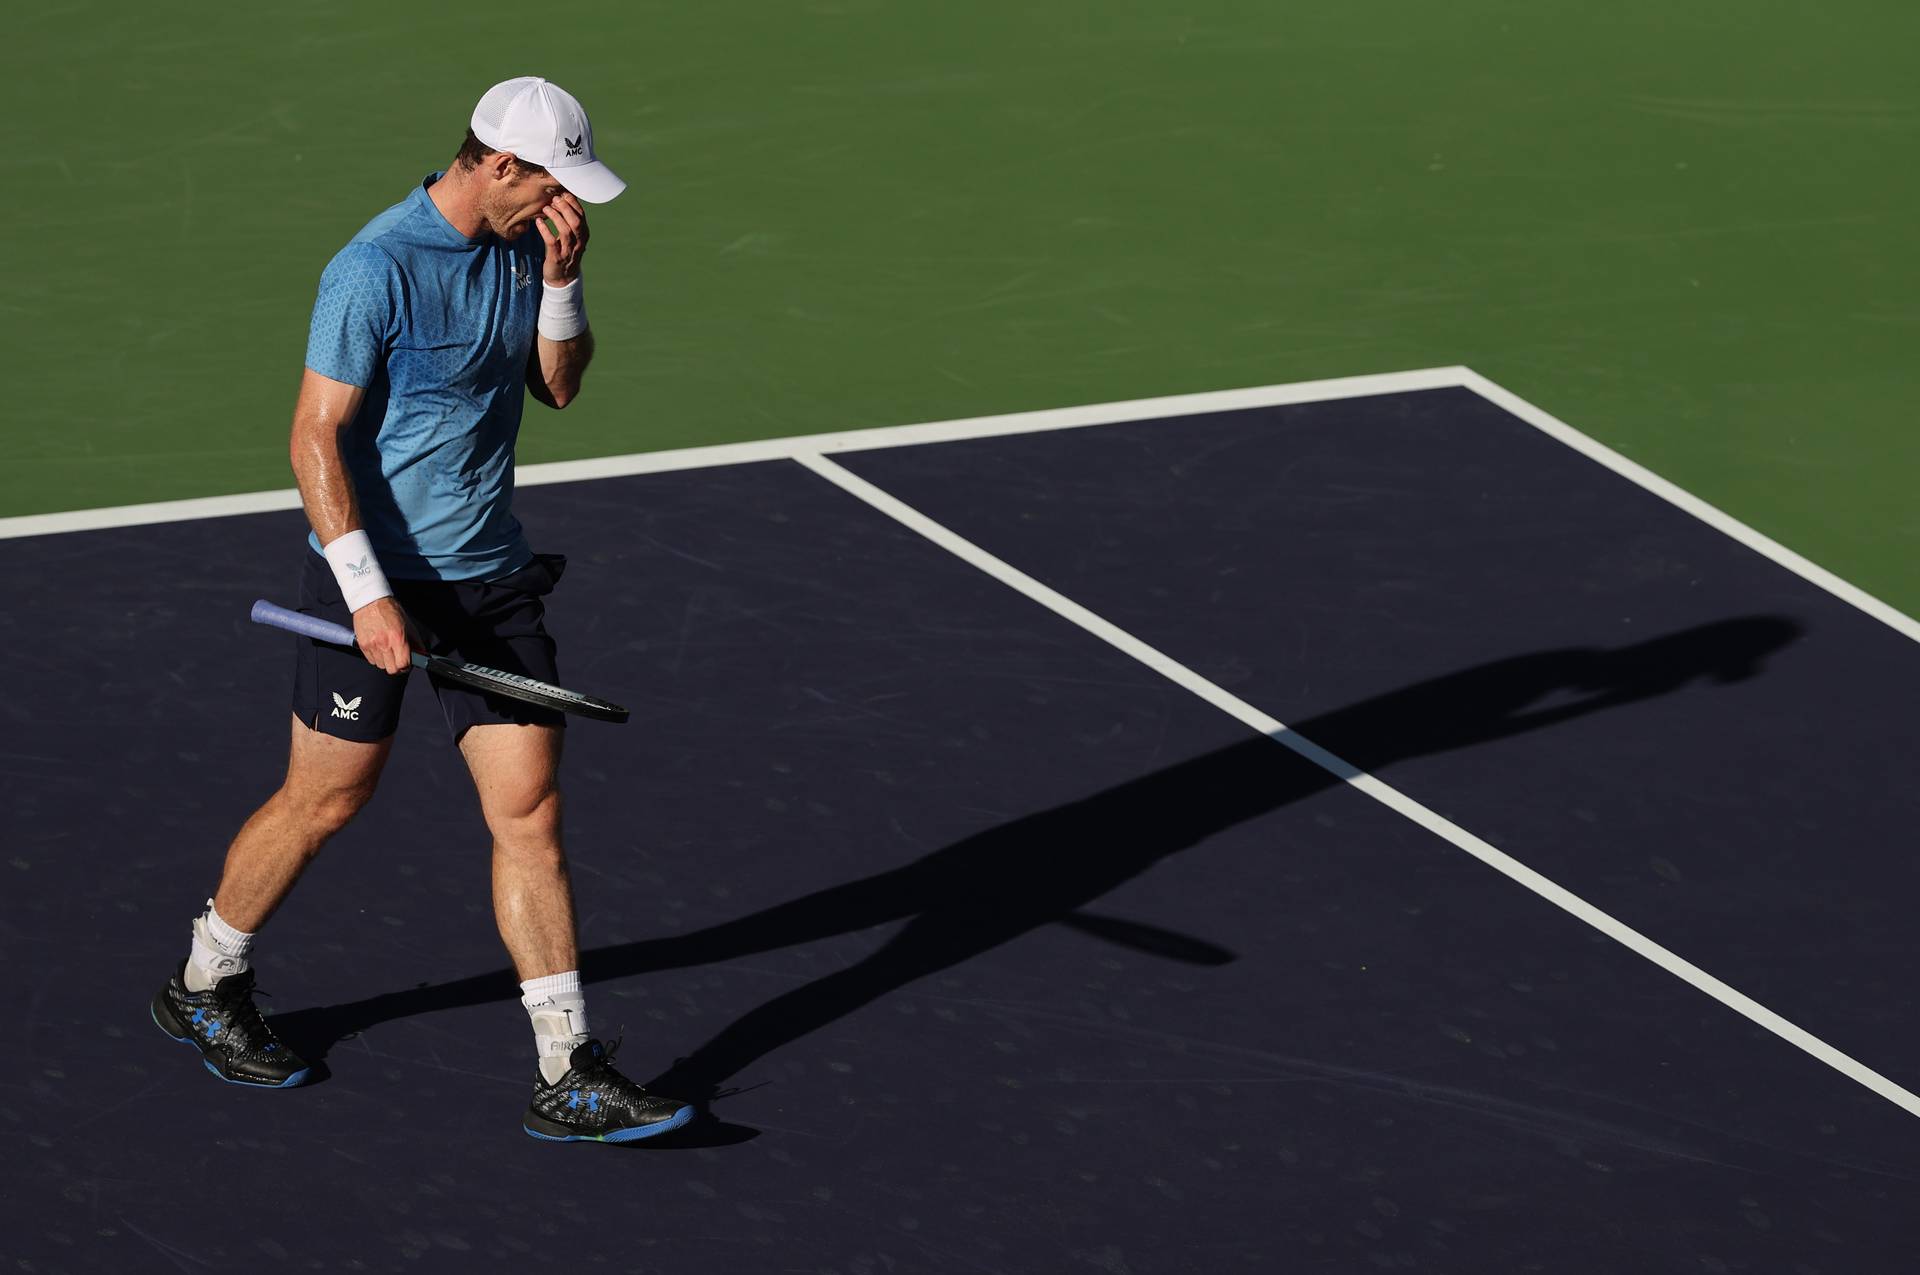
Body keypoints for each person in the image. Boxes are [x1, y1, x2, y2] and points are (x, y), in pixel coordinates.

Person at [149, 77, 692, 1144]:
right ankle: (205, 980)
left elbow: (559, 386)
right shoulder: (373, 269)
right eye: (550, 185)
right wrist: (368, 596)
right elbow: (314, 436)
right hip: (374, 581)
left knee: (529, 811)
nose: (561, 205)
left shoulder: (527, 248)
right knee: (327, 799)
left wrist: (563, 284)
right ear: (500, 165)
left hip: (491, 576)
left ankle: (566, 1068)